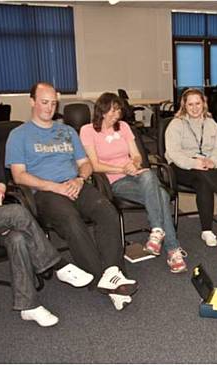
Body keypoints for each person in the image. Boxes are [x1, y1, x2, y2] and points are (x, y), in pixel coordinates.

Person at [0, 102, 94, 327]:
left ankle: (28, 305)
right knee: (15, 211)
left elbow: (2, 179)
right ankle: (58, 264)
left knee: (18, 237)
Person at [5, 82, 137, 311]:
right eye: (44, 102)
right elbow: (19, 176)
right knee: (71, 220)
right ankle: (105, 281)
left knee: (107, 210)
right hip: (46, 192)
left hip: (75, 185)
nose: (49, 107)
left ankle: (114, 272)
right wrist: (53, 187)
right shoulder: (19, 135)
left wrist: (79, 179)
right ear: (32, 102)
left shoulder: (66, 131)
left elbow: (85, 164)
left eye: (53, 103)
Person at [80, 92, 187, 273]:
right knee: (160, 195)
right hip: (114, 181)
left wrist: (134, 164)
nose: (117, 114)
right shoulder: (88, 130)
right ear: (102, 110)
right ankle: (172, 249)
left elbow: (136, 155)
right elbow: (95, 165)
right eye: (113, 110)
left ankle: (157, 233)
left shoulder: (123, 127)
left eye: (119, 110)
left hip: (135, 175)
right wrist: (122, 170)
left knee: (147, 174)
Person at [164, 88, 217, 247]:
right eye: (190, 104)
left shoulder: (211, 123)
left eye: (197, 103)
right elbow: (174, 153)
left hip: (206, 168)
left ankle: (206, 231)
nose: (194, 107)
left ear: (203, 104)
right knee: (203, 174)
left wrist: (213, 161)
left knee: (203, 180)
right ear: (184, 105)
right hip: (180, 168)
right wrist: (194, 163)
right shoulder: (176, 124)